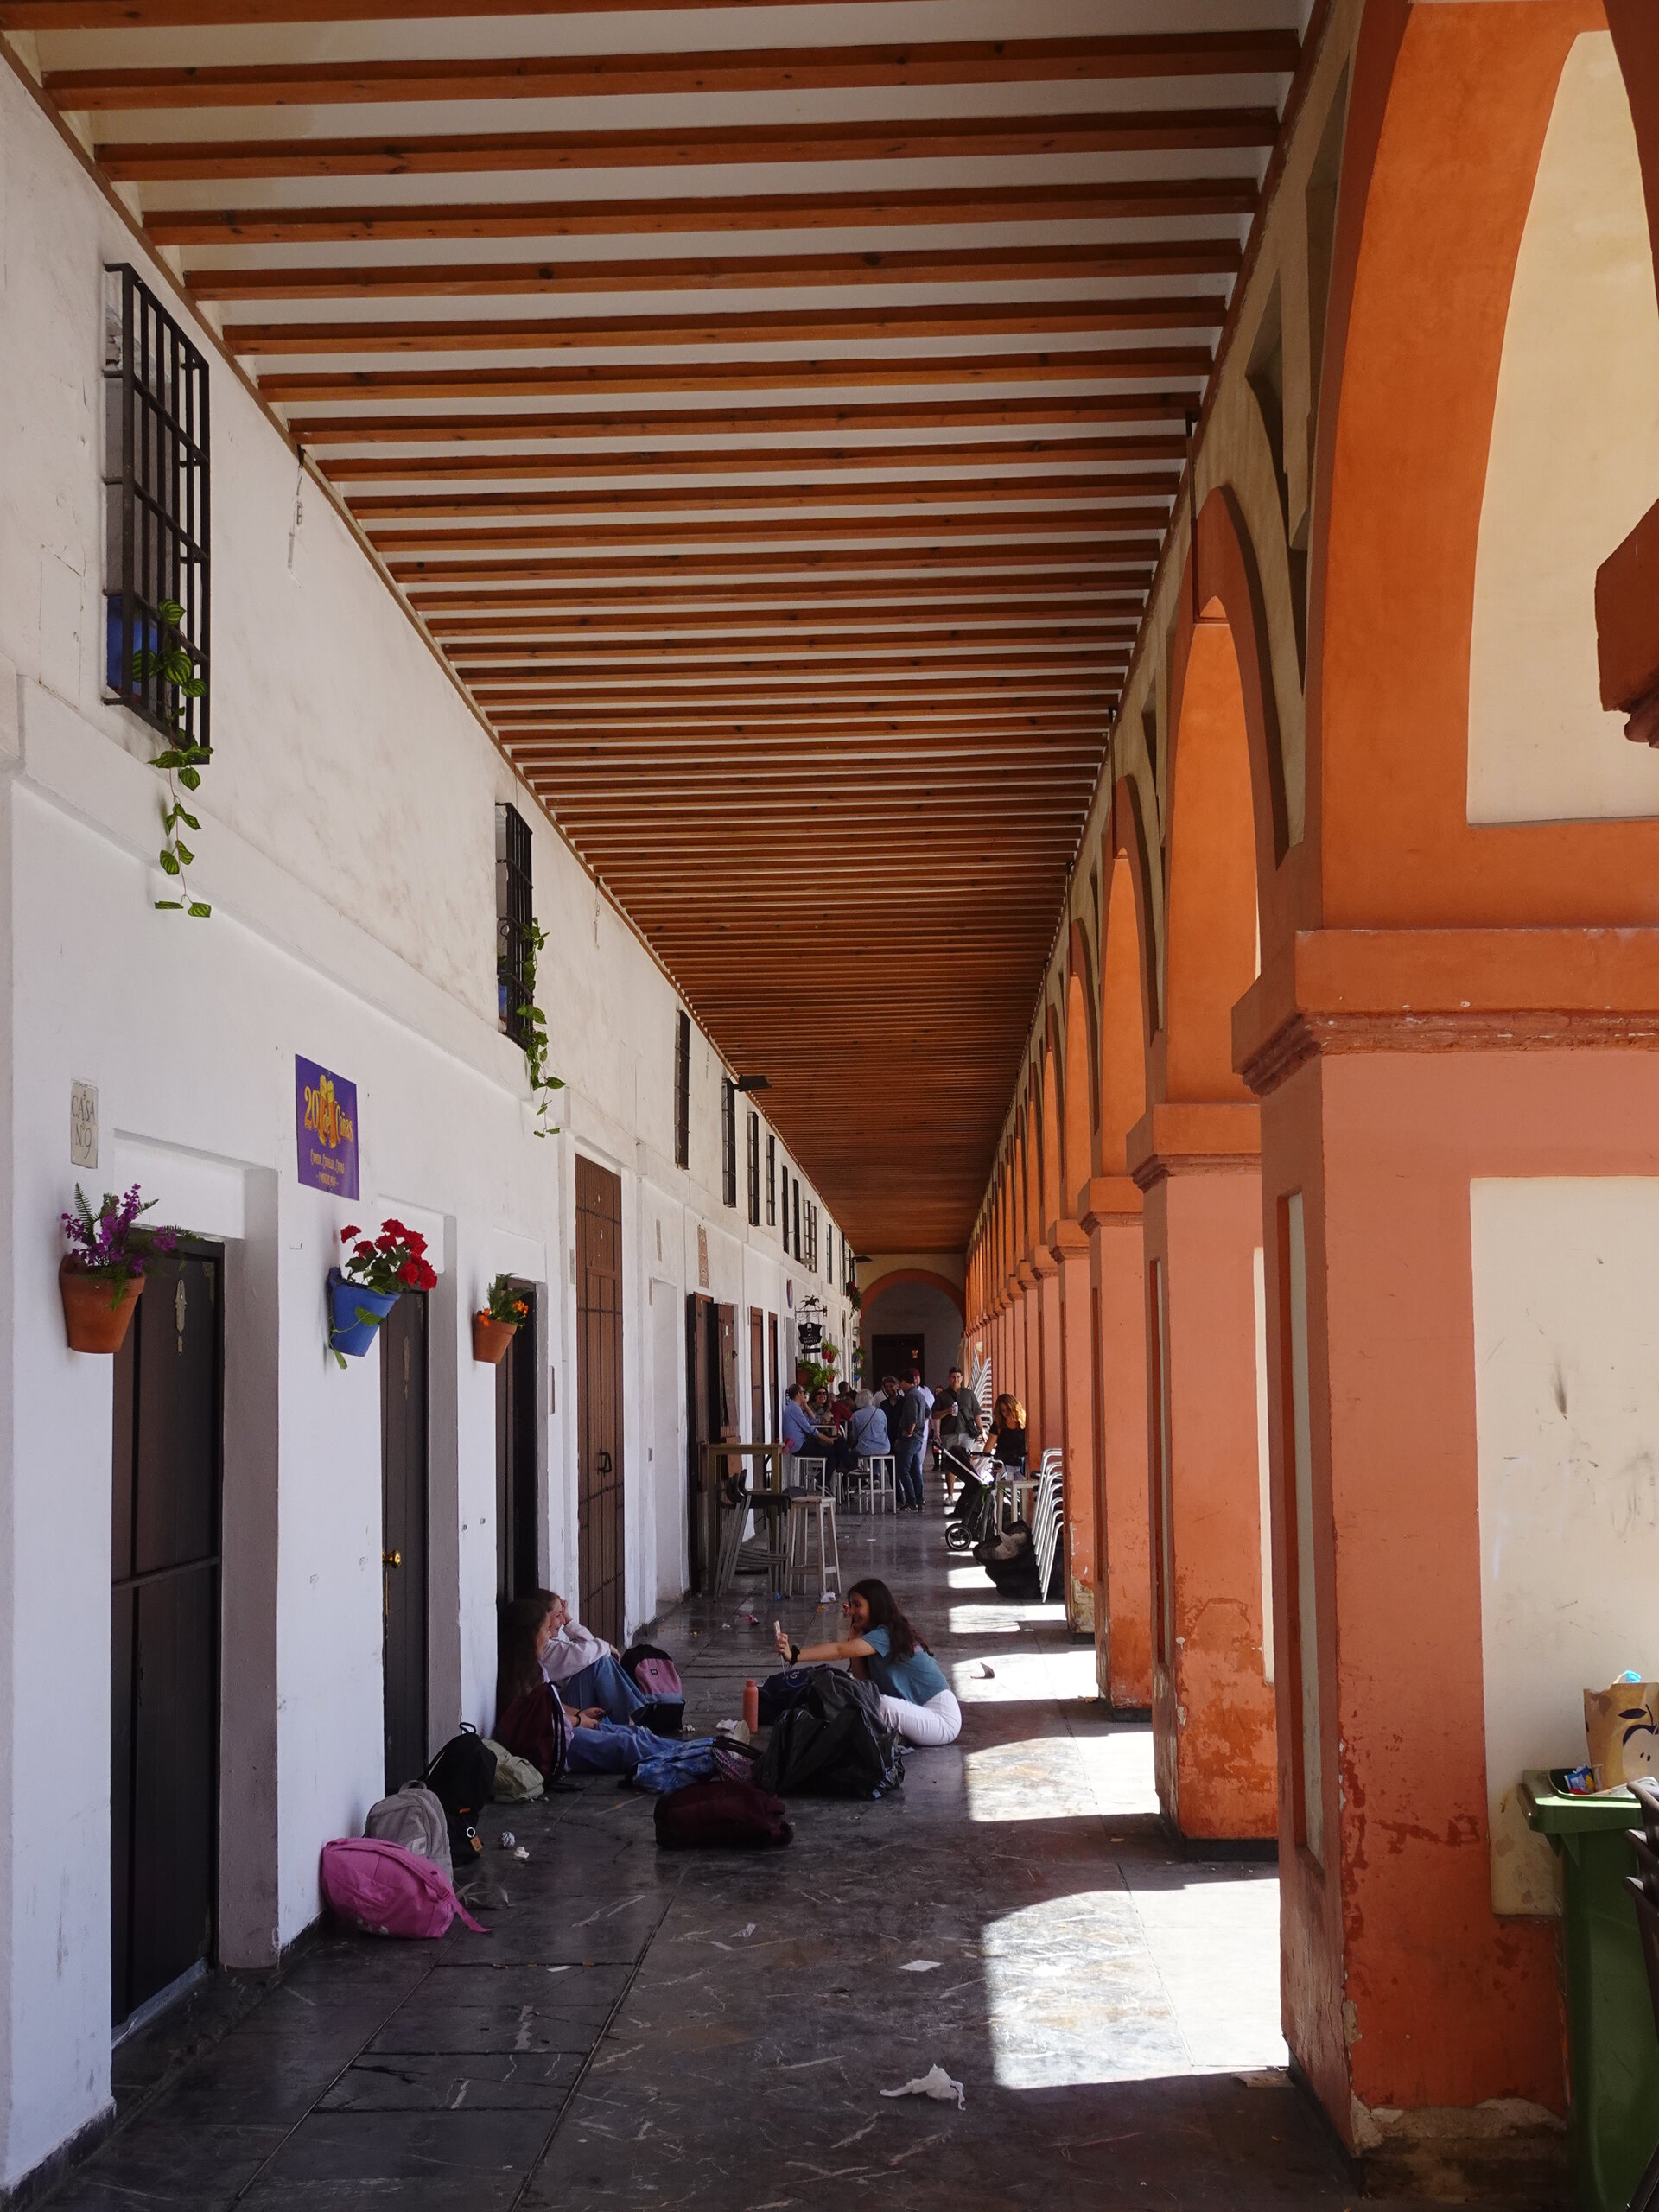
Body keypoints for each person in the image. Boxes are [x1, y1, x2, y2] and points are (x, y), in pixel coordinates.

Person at [773, 1578, 960, 1747]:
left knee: (881, 1707)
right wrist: (854, 1640)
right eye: (851, 1605)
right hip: (923, 1713)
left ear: (875, 1606)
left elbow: (839, 1651)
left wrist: (794, 1655)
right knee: (862, 1696)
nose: (852, 1611)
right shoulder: (878, 1636)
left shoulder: (884, 1635)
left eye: (857, 1605)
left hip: (942, 1718)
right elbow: (866, 1684)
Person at [496, 1594, 645, 1776]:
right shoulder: (534, 1664)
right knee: (627, 1744)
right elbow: (543, 1724)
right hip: (558, 1742)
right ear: (533, 1634)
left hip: (564, 1726)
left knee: (635, 1734)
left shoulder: (536, 1667)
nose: (551, 1632)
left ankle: (685, 1750)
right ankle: (686, 1755)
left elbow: (553, 1705)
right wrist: (579, 1720)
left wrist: (579, 1714)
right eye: (547, 1628)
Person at [535, 1588, 648, 1724]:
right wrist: (606, 1646)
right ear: (544, 1618)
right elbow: (584, 1653)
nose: (562, 1620)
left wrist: (569, 1620)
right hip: (563, 1712)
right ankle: (628, 1718)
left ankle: (629, 1716)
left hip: (565, 1705)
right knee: (599, 1663)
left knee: (599, 1659)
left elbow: (589, 1646)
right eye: (558, 1615)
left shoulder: (549, 1644)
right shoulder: (546, 1650)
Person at [934, 1365, 984, 1501]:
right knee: (950, 1462)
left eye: (958, 1377)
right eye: (953, 1377)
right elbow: (935, 1415)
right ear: (949, 1379)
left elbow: (977, 1414)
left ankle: (968, 1491)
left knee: (966, 1461)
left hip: (966, 1433)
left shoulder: (969, 1394)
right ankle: (950, 1494)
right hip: (949, 1433)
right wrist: (946, 1412)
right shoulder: (942, 1396)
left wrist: (982, 1431)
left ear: (961, 1378)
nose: (955, 1379)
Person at [888, 1371, 927, 1511]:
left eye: (900, 1384)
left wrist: (910, 1431)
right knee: (915, 1470)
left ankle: (911, 1501)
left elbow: (912, 1417)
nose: (900, 1387)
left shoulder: (910, 1396)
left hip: (910, 1439)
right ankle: (920, 1500)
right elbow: (927, 1412)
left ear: (905, 1382)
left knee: (902, 1469)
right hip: (918, 1438)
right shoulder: (920, 1395)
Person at [845, 1386, 889, 1462]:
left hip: (864, 1449)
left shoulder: (856, 1415)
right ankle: (874, 1472)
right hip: (884, 1448)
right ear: (871, 1399)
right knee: (875, 1453)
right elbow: (885, 1430)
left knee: (850, 1455)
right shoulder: (881, 1412)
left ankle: (854, 1471)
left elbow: (855, 1436)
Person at [987, 1393, 1027, 1468]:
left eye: (1008, 1409)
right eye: (1003, 1410)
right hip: (1003, 1465)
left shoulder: (1026, 1422)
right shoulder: (997, 1425)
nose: (1006, 1413)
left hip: (1023, 1465)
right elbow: (989, 1446)